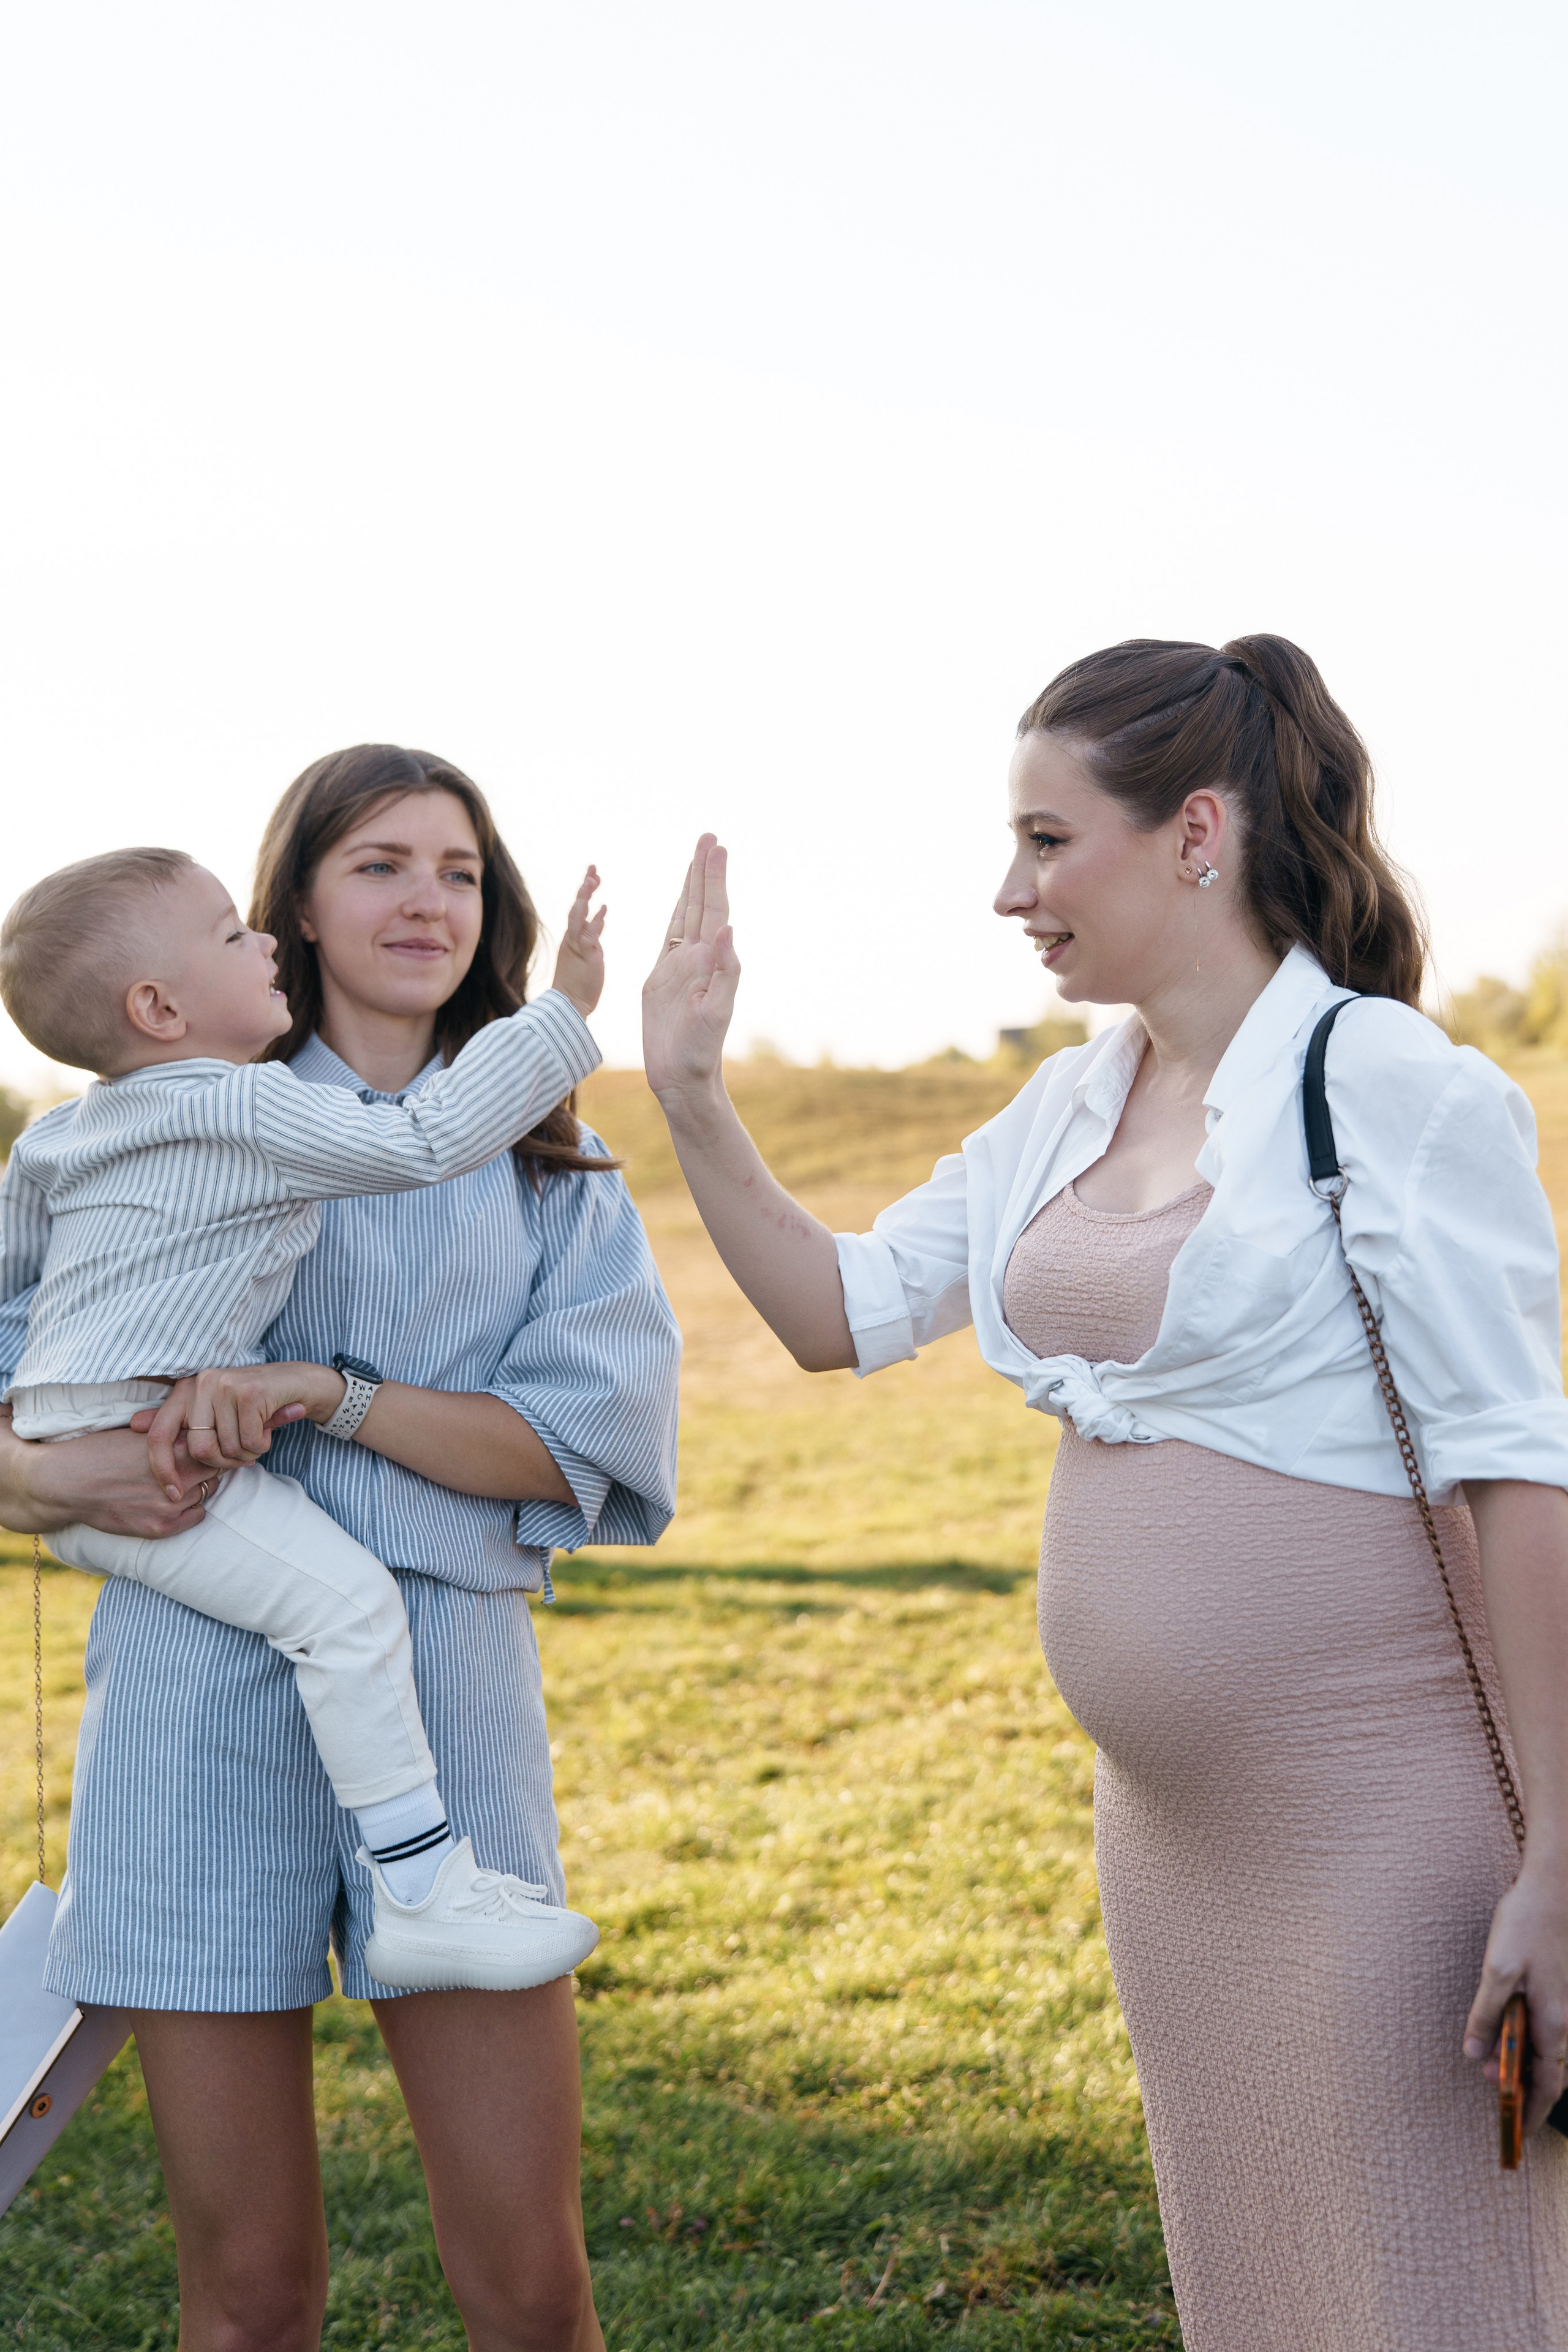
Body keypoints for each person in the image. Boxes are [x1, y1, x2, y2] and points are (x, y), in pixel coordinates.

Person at [640, 637, 1568, 2351]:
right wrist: (691, 1093)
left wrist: (1565, 1860)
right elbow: (838, 1315)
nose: (1013, 891)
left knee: (1434, 2290)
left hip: (1389, 1836)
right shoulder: (1068, 1104)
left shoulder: (1394, 1088)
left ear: (1196, 830)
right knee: (1265, 2285)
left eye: (1049, 839)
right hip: (1177, 1848)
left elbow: (1523, 1477)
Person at [0, 744, 680, 2352]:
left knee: (529, 2290)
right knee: (246, 2302)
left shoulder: (551, 1165)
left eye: (457, 867)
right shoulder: (137, 1125)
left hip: (446, 1689)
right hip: (189, 1694)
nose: (427, 898)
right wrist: (53, 1476)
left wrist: (337, 1394)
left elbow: (578, 1445)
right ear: (290, 903)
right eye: (380, 862)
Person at [0, 841, 609, 1989]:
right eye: (235, 934)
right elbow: (424, 1141)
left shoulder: (61, 1135)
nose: (264, 941)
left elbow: (4, 1296)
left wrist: (32, 1458)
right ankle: (424, 1885)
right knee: (350, 1611)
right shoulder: (251, 1106)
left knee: (335, 1610)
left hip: (76, 1442)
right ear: (159, 1006)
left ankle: (422, 1886)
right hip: (143, 1454)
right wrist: (564, 1011)